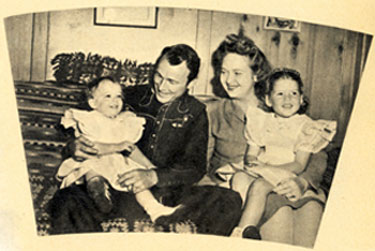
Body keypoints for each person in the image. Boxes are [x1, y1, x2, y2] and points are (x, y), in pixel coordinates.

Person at [49, 44, 242, 236]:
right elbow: (85, 121)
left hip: (166, 193)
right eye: (159, 76)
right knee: (65, 200)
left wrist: (154, 176)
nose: (161, 86)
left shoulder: (196, 113)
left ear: (190, 83)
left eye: (172, 81)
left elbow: (195, 167)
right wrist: (74, 146)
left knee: (229, 200)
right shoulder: (130, 96)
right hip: (117, 186)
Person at [205, 33, 329, 247]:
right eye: (223, 72)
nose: (229, 80)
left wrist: (302, 181)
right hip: (244, 191)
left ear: (255, 75)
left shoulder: (279, 103)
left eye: (237, 73)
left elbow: (317, 153)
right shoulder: (214, 112)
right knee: (279, 212)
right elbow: (201, 166)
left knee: (312, 210)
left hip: (291, 180)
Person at [228, 68, 336, 239]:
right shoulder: (261, 121)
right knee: (239, 178)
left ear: (301, 99)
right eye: (280, 94)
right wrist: (253, 163)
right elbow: (251, 153)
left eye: (293, 93)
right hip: (263, 169)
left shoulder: (307, 127)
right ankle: (244, 224)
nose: (287, 99)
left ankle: (242, 232)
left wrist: (269, 169)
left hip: (287, 173)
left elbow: (300, 165)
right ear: (268, 100)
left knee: (260, 186)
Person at [56, 76, 180, 221]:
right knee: (92, 168)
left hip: (118, 165)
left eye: (118, 96)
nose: (114, 101)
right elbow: (92, 148)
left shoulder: (124, 122)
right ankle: (98, 191)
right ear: (93, 102)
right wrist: (117, 146)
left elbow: (131, 149)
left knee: (136, 180)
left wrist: (149, 166)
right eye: (108, 96)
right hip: (95, 160)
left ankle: (154, 209)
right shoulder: (90, 120)